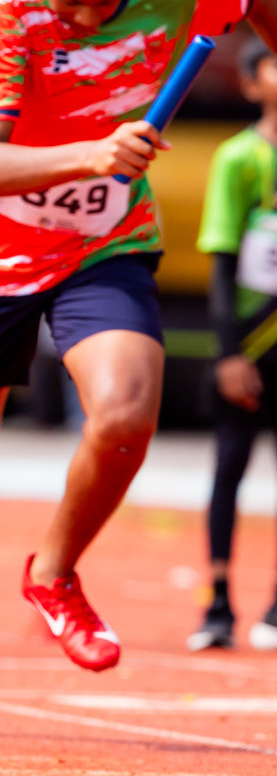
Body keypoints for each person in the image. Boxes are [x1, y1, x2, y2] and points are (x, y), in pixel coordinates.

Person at [0, 0, 277, 735]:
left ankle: (55, 570)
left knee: (125, 411)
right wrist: (96, 149)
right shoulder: (4, 12)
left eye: (99, 4)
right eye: (65, 0)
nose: (78, 18)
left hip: (98, 244)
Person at [189, 38, 277, 652]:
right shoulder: (240, 159)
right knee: (229, 465)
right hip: (247, 344)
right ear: (251, 84)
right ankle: (217, 601)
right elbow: (220, 262)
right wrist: (228, 354)